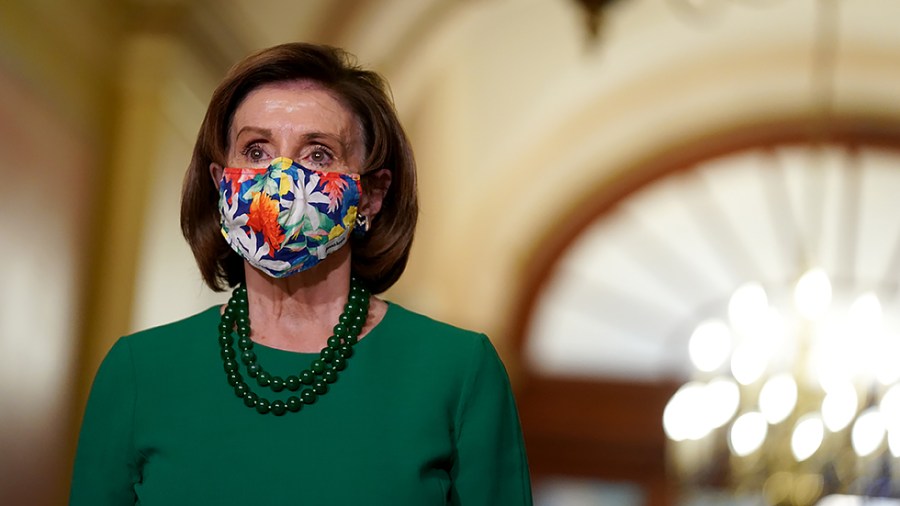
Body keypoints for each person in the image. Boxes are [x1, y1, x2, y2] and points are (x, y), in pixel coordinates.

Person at [69, 42, 533, 505]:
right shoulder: (138, 372)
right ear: (220, 183)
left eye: (318, 154)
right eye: (256, 149)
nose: (281, 177)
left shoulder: (457, 371)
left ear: (371, 194)